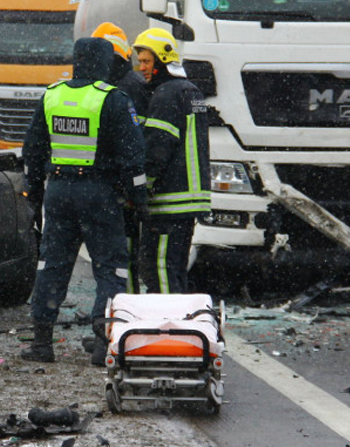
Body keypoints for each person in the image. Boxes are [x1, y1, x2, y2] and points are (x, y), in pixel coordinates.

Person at [20, 37, 147, 364]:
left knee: (52, 264)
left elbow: (33, 150)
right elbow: (133, 157)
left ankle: (42, 343)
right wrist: (138, 199)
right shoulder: (113, 99)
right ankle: (104, 344)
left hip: (59, 191)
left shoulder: (52, 95)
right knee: (110, 268)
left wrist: (34, 191)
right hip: (99, 194)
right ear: (106, 63)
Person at [133, 27, 211, 295]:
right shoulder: (191, 91)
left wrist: (141, 187)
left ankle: (167, 328)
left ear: (162, 60)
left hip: (171, 202)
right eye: (140, 61)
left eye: (146, 61)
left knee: (159, 269)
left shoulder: (166, 94)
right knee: (175, 270)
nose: (141, 67)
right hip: (189, 200)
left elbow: (157, 148)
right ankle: (179, 325)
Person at [91, 22, 150, 295]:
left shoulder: (124, 90)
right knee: (124, 251)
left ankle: (124, 306)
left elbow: (131, 145)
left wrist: (131, 189)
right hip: (124, 184)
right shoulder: (130, 84)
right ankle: (123, 305)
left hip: (122, 185)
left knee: (122, 253)